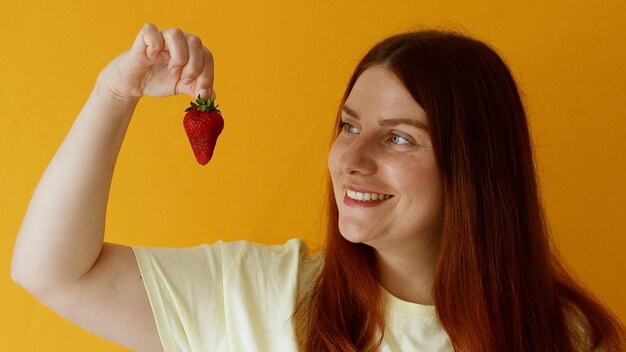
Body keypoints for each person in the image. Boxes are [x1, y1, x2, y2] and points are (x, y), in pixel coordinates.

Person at [11, 23, 624, 352]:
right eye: (349, 126)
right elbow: (51, 272)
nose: (349, 158)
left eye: (399, 138)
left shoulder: (571, 339)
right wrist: (114, 93)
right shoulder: (254, 293)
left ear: (476, 172)